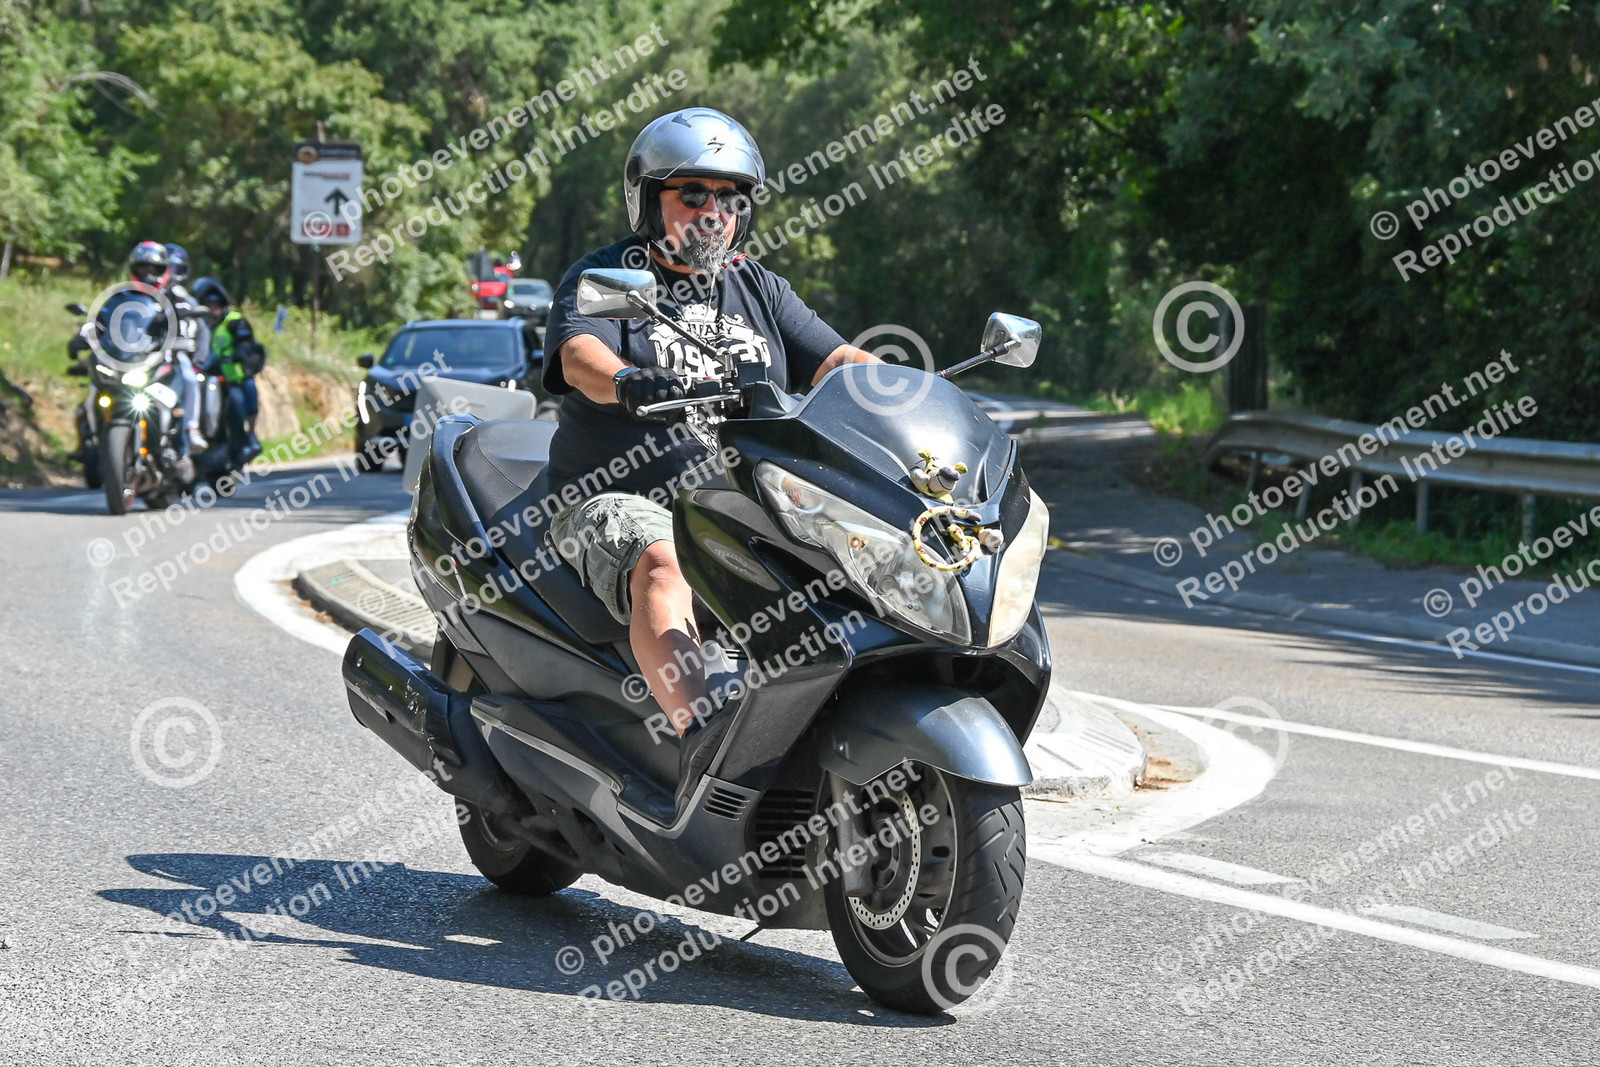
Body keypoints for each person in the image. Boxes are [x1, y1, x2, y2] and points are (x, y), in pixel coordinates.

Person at [541, 107, 878, 812]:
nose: (714, 211)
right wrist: (626, 380)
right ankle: (704, 744)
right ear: (647, 198)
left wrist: (897, 387)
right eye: (693, 193)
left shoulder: (760, 289)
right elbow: (578, 354)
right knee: (665, 562)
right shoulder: (611, 276)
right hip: (618, 499)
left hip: (739, 504)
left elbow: (836, 360)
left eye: (730, 197)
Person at [192, 276, 265, 463]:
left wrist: (239, 355)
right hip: (204, 378)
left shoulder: (235, 322)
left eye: (215, 306)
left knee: (239, 403)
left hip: (232, 379)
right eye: (207, 306)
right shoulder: (196, 324)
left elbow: (246, 345)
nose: (211, 310)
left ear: (222, 306)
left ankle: (248, 438)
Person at [162, 243, 208, 453]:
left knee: (190, 378)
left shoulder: (187, 301)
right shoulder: (143, 298)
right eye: (166, 268)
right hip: (145, 355)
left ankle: (191, 429)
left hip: (176, 355)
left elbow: (203, 333)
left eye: (175, 268)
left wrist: (198, 361)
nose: (170, 273)